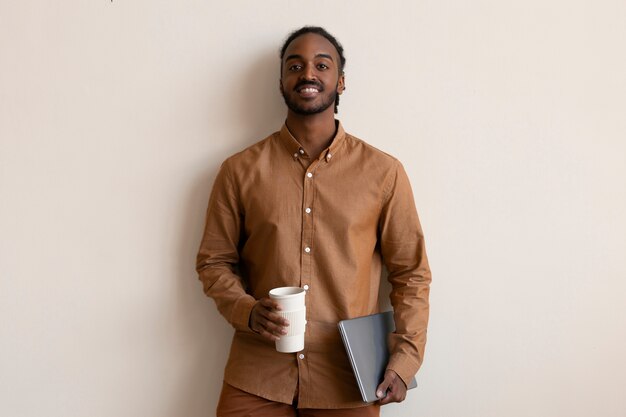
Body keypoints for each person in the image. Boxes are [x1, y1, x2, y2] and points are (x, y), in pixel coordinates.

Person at [196, 26, 431, 417]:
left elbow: (411, 274)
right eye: (295, 65)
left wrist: (405, 361)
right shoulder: (239, 170)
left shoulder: (383, 173)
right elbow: (213, 261)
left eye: (322, 65)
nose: (308, 74)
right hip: (257, 374)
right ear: (282, 82)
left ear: (340, 82)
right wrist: (246, 310)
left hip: (350, 378)